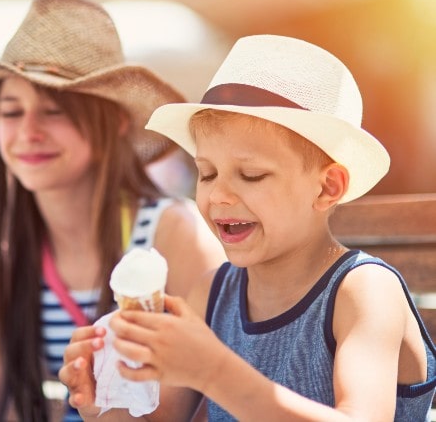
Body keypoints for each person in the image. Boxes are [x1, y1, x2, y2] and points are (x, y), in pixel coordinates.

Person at [59, 34, 436, 421]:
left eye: (251, 175)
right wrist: (100, 402)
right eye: (206, 173)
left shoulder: (362, 291)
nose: (218, 194)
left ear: (327, 187)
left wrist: (214, 371)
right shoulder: (213, 292)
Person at [0, 0, 227, 421]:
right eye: (11, 111)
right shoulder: (5, 257)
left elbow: (193, 409)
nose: (28, 131)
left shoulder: (176, 234)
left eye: (54, 111)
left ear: (113, 123)